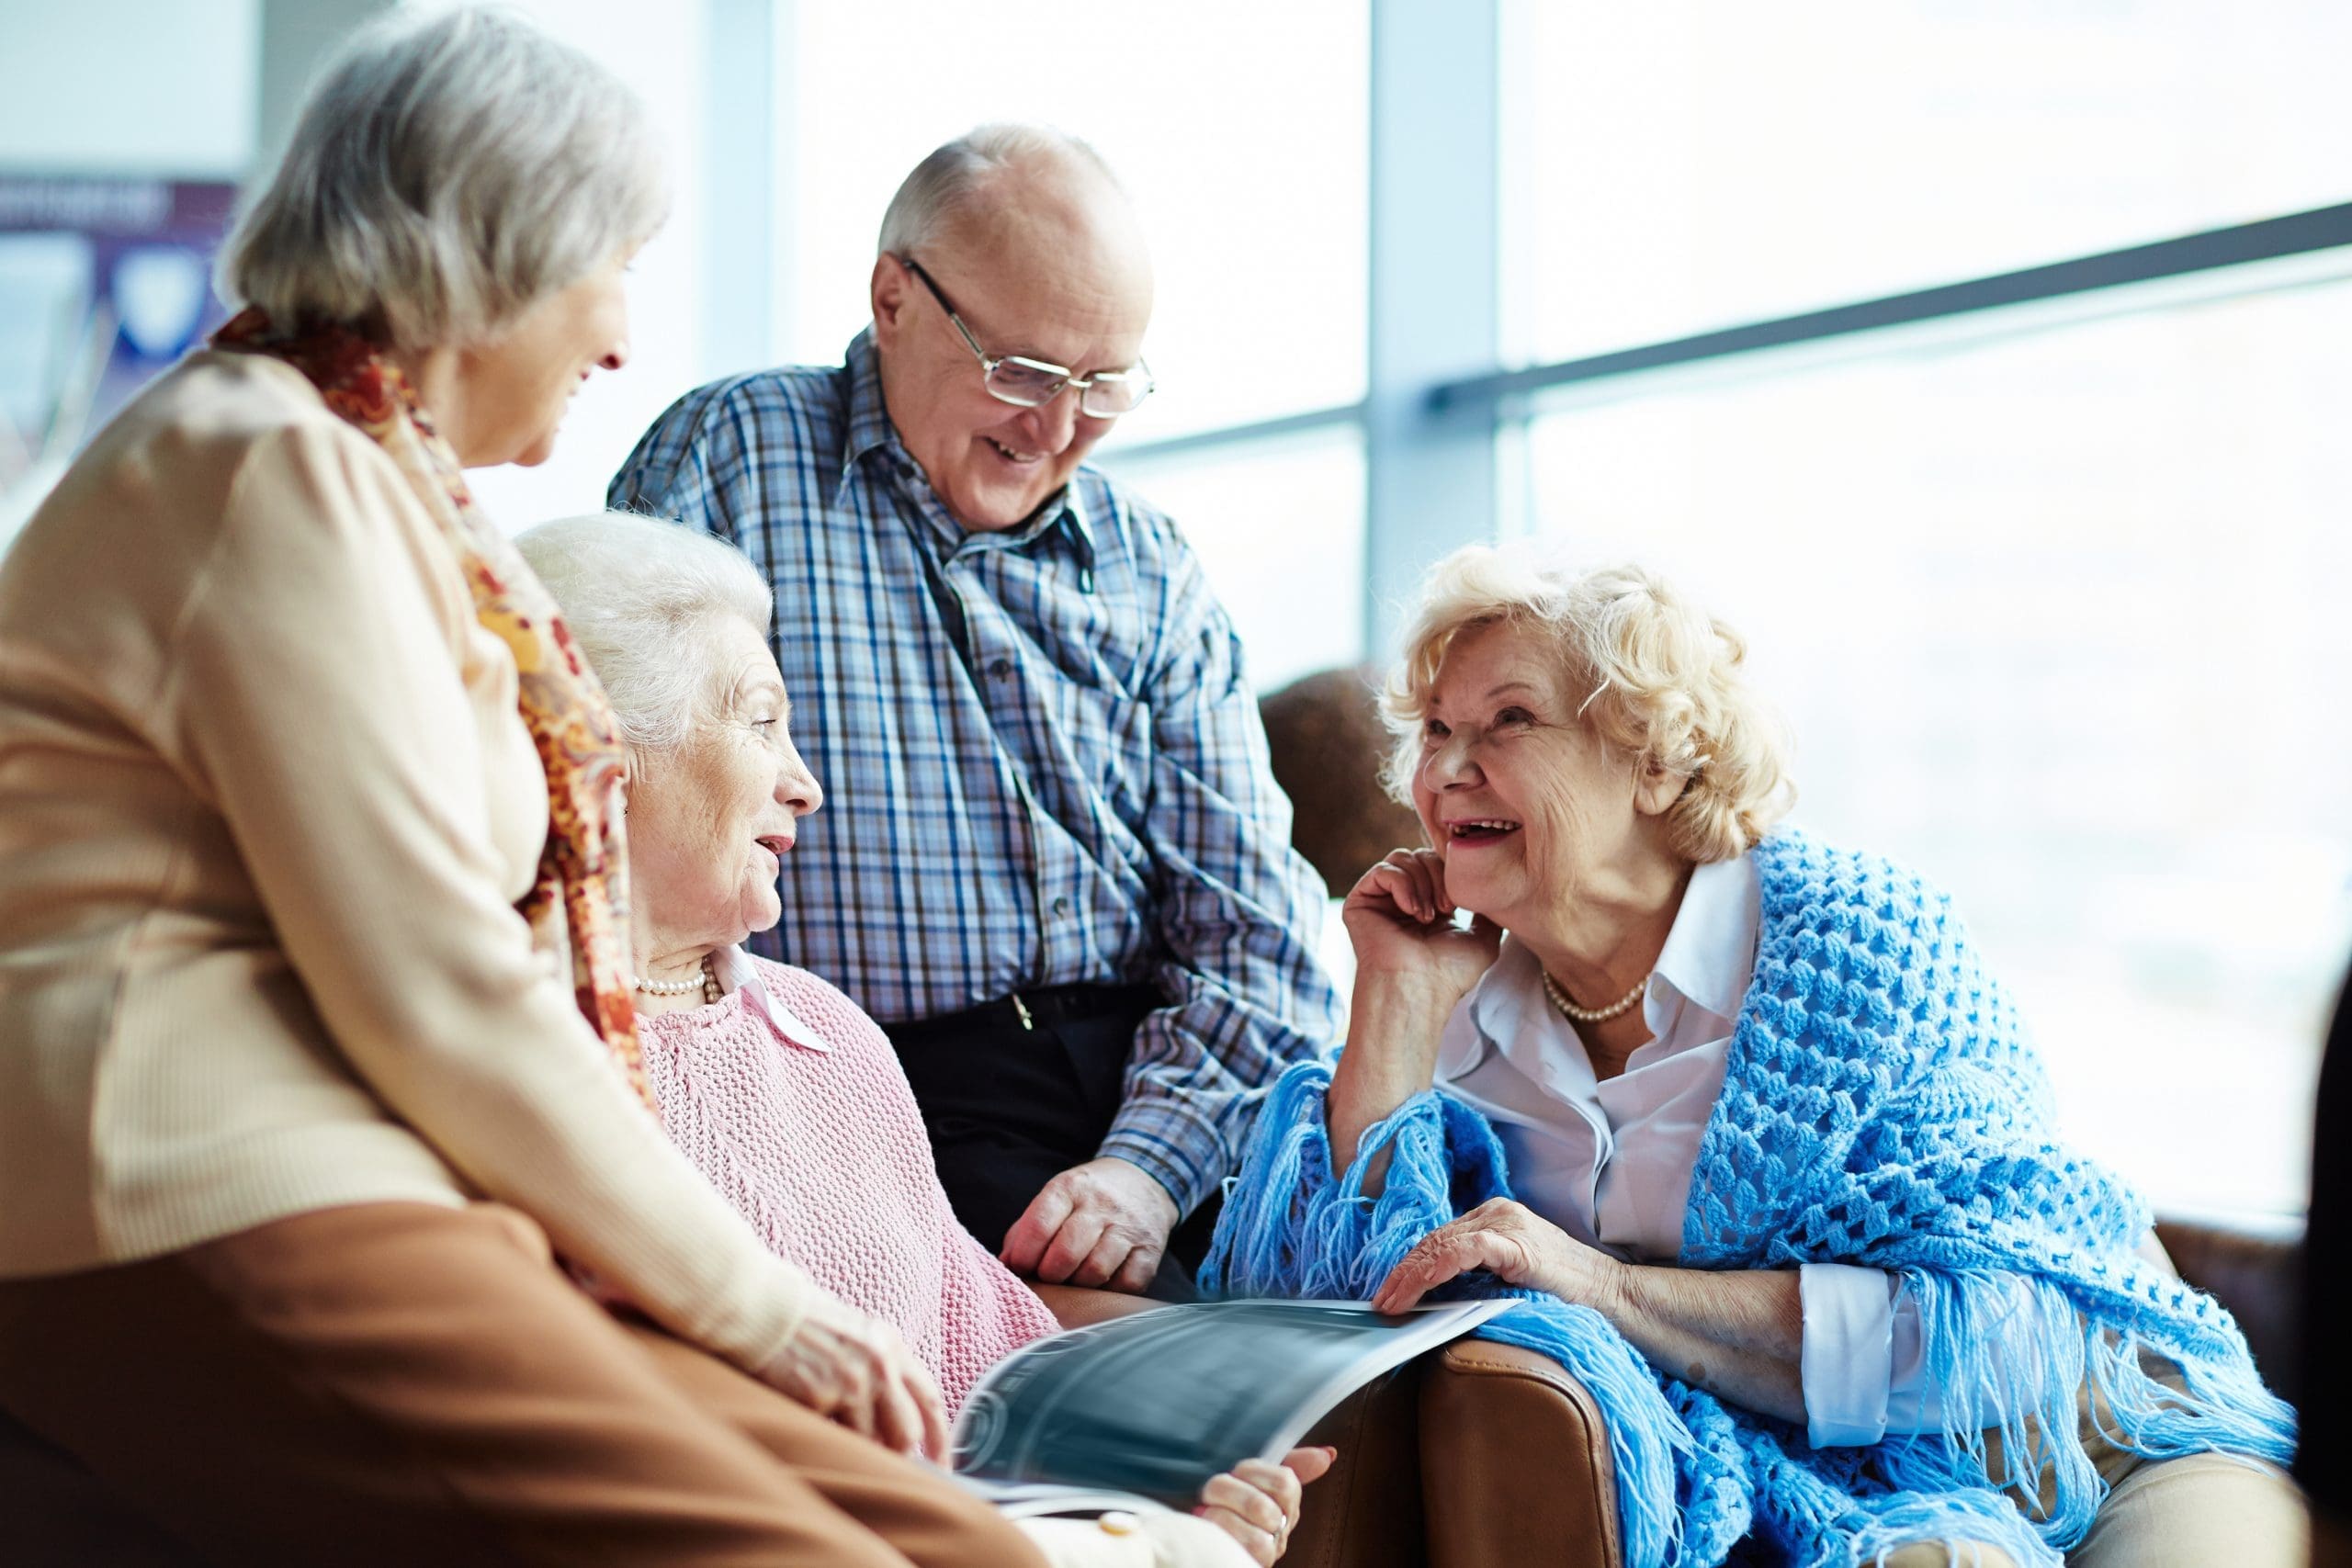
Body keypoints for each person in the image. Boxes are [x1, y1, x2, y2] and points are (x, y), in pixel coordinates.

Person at [0, 13, 1041, 1566]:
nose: (620, 333)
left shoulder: (377, 492)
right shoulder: (259, 467)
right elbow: (440, 988)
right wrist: (757, 1306)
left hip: (351, 1177)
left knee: (967, 1540)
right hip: (187, 1173)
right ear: (493, 254)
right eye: (609, 267)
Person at [1207, 547, 2304, 1567]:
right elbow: (1326, 1319)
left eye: (1505, 722)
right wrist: (1393, 1005)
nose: (1448, 770)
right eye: (1434, 731)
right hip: (1808, 1466)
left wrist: (1606, 1287)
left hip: (2087, 1426)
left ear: (1654, 760)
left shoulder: (1860, 943)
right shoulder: (1451, 983)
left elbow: (1998, 1327)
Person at [514, 510, 1336, 1568]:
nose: (805, 783)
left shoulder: (830, 1036)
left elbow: (986, 1359)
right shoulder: (499, 1055)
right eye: (759, 723)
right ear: (602, 749)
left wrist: (1159, 1492)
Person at [608, 125, 1341, 1300]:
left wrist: (1145, 1174)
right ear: (893, 298)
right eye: (1025, 371)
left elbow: (1262, 937)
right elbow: (624, 799)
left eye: (1102, 385)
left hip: (1159, 1091)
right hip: (868, 1085)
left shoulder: (1149, 563)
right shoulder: (737, 452)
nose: (1057, 429)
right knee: (1155, 1390)